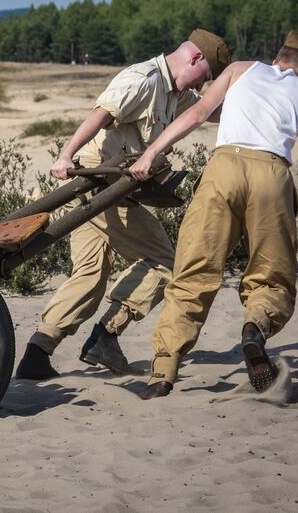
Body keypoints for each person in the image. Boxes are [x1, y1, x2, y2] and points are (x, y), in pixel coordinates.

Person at [16, 29, 231, 380]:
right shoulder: (143, 80)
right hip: (99, 184)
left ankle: (37, 352)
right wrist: (65, 155)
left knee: (90, 274)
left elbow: (210, 111)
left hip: (109, 187)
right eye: (204, 76)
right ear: (194, 58)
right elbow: (100, 114)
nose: (202, 85)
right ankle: (106, 334)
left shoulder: (176, 93)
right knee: (164, 261)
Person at [130, 31, 298, 399]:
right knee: (272, 276)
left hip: (223, 170)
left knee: (194, 271)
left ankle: (163, 372)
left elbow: (199, 112)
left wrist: (151, 152)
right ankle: (255, 327)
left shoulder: (239, 69)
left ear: (279, 57)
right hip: (272, 175)